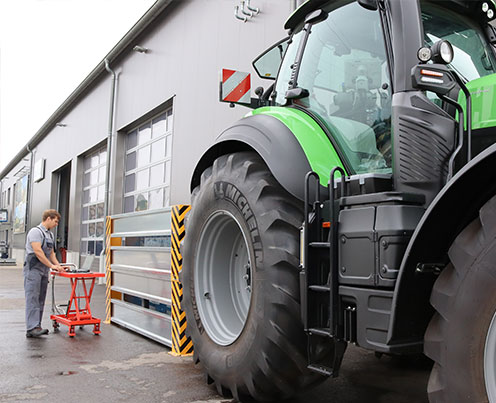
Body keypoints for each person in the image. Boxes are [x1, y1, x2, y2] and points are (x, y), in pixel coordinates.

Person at [24, 209, 66, 338]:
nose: (56, 224)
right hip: (33, 269)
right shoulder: (35, 232)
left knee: (41, 298)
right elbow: (38, 251)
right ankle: (31, 328)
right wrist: (52, 266)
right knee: (33, 298)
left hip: (43, 270)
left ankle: (37, 325)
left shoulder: (50, 235)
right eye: (55, 221)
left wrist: (59, 266)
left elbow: (51, 253)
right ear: (48, 218)